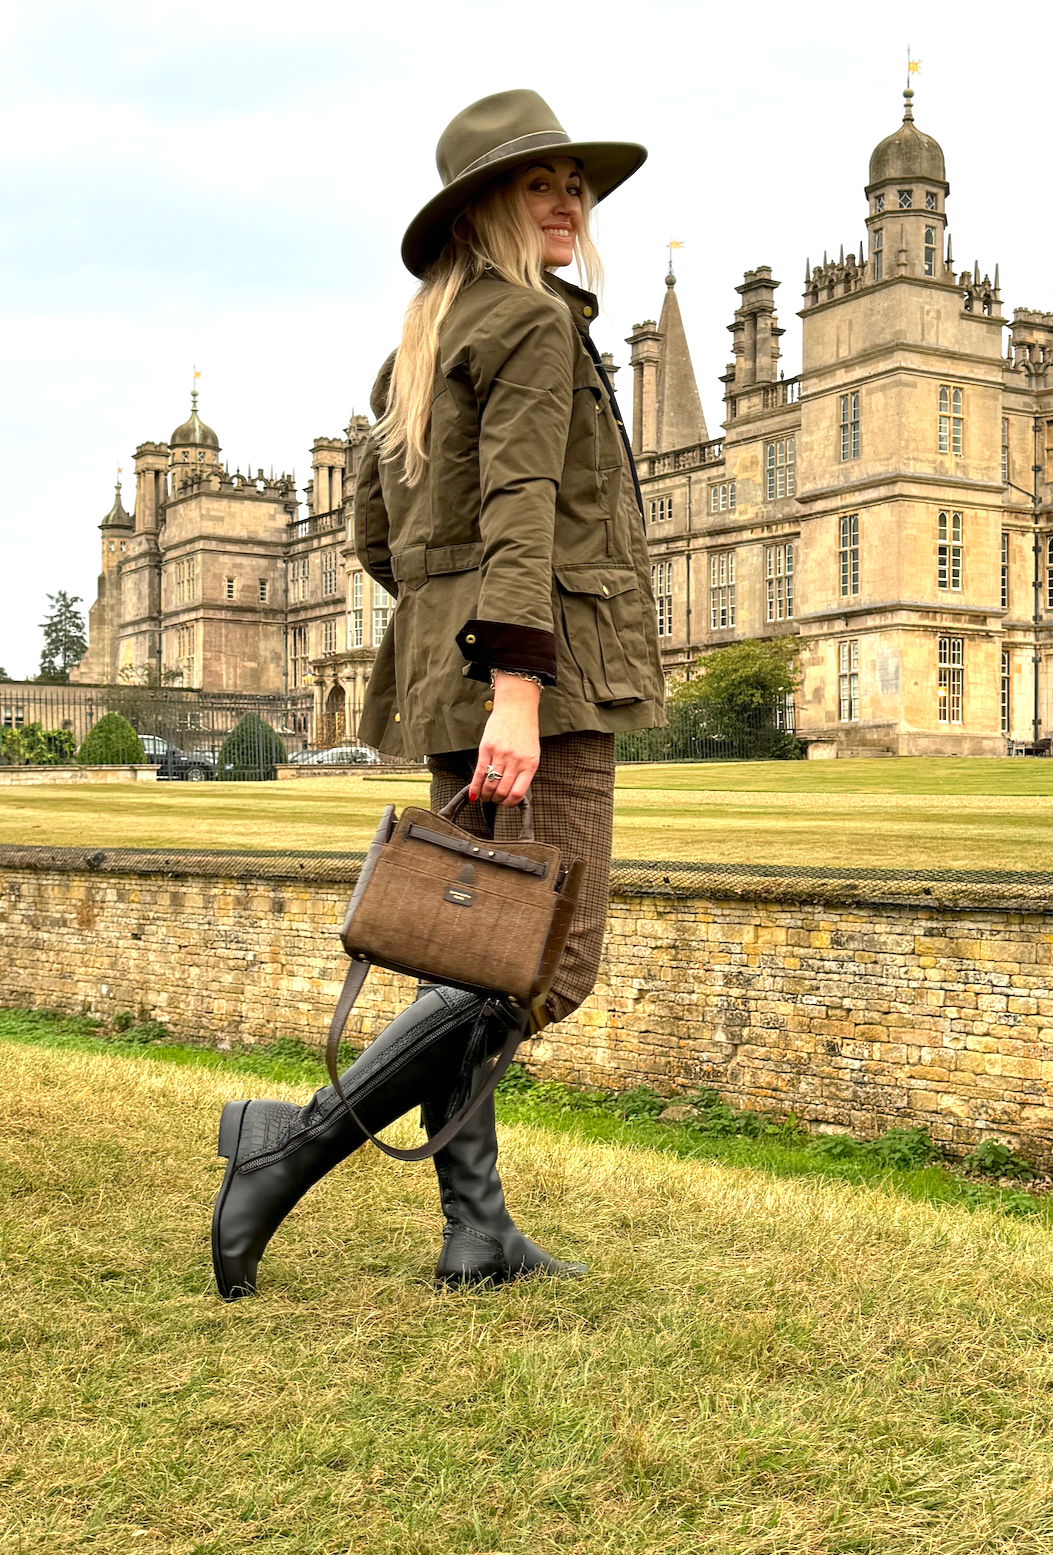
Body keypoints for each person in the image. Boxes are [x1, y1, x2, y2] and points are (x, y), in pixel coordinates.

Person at [210, 89, 666, 1300]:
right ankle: (286, 1146)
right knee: (543, 963)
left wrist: (452, 627)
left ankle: (476, 1229)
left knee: (472, 946)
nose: (568, 200)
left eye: (576, 181)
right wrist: (517, 678)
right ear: (481, 211)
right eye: (539, 183)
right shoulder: (527, 324)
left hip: (449, 674)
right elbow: (522, 504)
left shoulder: (416, 344)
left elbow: (380, 538)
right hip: (536, 683)